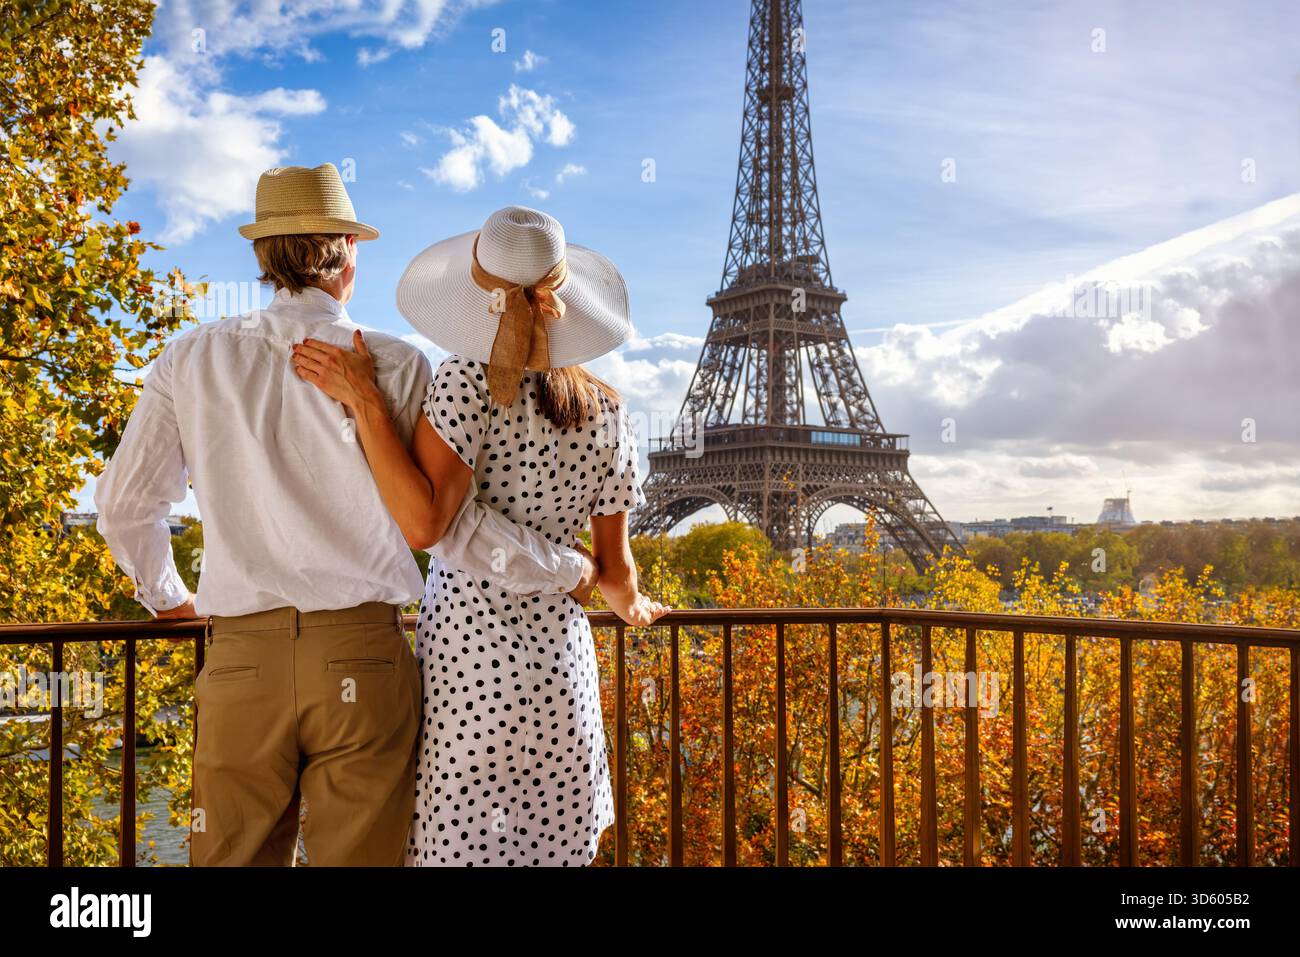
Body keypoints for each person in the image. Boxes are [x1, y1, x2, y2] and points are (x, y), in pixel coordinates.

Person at [95, 168, 597, 867]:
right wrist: (574, 568)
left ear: (263, 258)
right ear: (347, 253)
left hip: (243, 658)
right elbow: (445, 522)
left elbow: (124, 508)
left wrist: (170, 599)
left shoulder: (191, 359)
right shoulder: (397, 362)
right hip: (364, 655)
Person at [291, 205, 670, 866]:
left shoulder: (467, 381)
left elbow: (427, 522)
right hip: (561, 675)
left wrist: (366, 404)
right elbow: (616, 574)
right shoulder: (610, 410)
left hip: (470, 671)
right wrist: (631, 604)